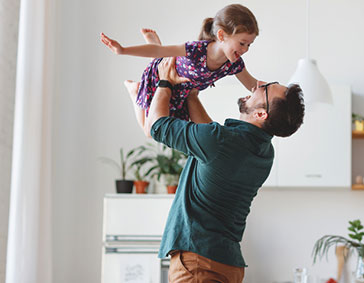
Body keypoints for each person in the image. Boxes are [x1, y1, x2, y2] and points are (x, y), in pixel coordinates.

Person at [142, 57, 305, 282]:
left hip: (198, 264)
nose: (258, 85)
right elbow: (210, 137)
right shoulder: (264, 153)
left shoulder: (219, 142)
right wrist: (191, 95)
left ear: (260, 114)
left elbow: (155, 126)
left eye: (265, 88)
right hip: (228, 265)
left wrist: (164, 83)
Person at [100, 4, 262, 133]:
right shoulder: (196, 50)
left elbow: (255, 86)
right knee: (149, 131)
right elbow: (160, 52)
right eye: (242, 43)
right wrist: (123, 50)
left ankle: (154, 43)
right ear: (221, 36)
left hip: (180, 93)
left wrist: (284, 93)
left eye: (249, 44)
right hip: (160, 78)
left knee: (169, 129)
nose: (245, 49)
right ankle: (134, 91)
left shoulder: (234, 64)